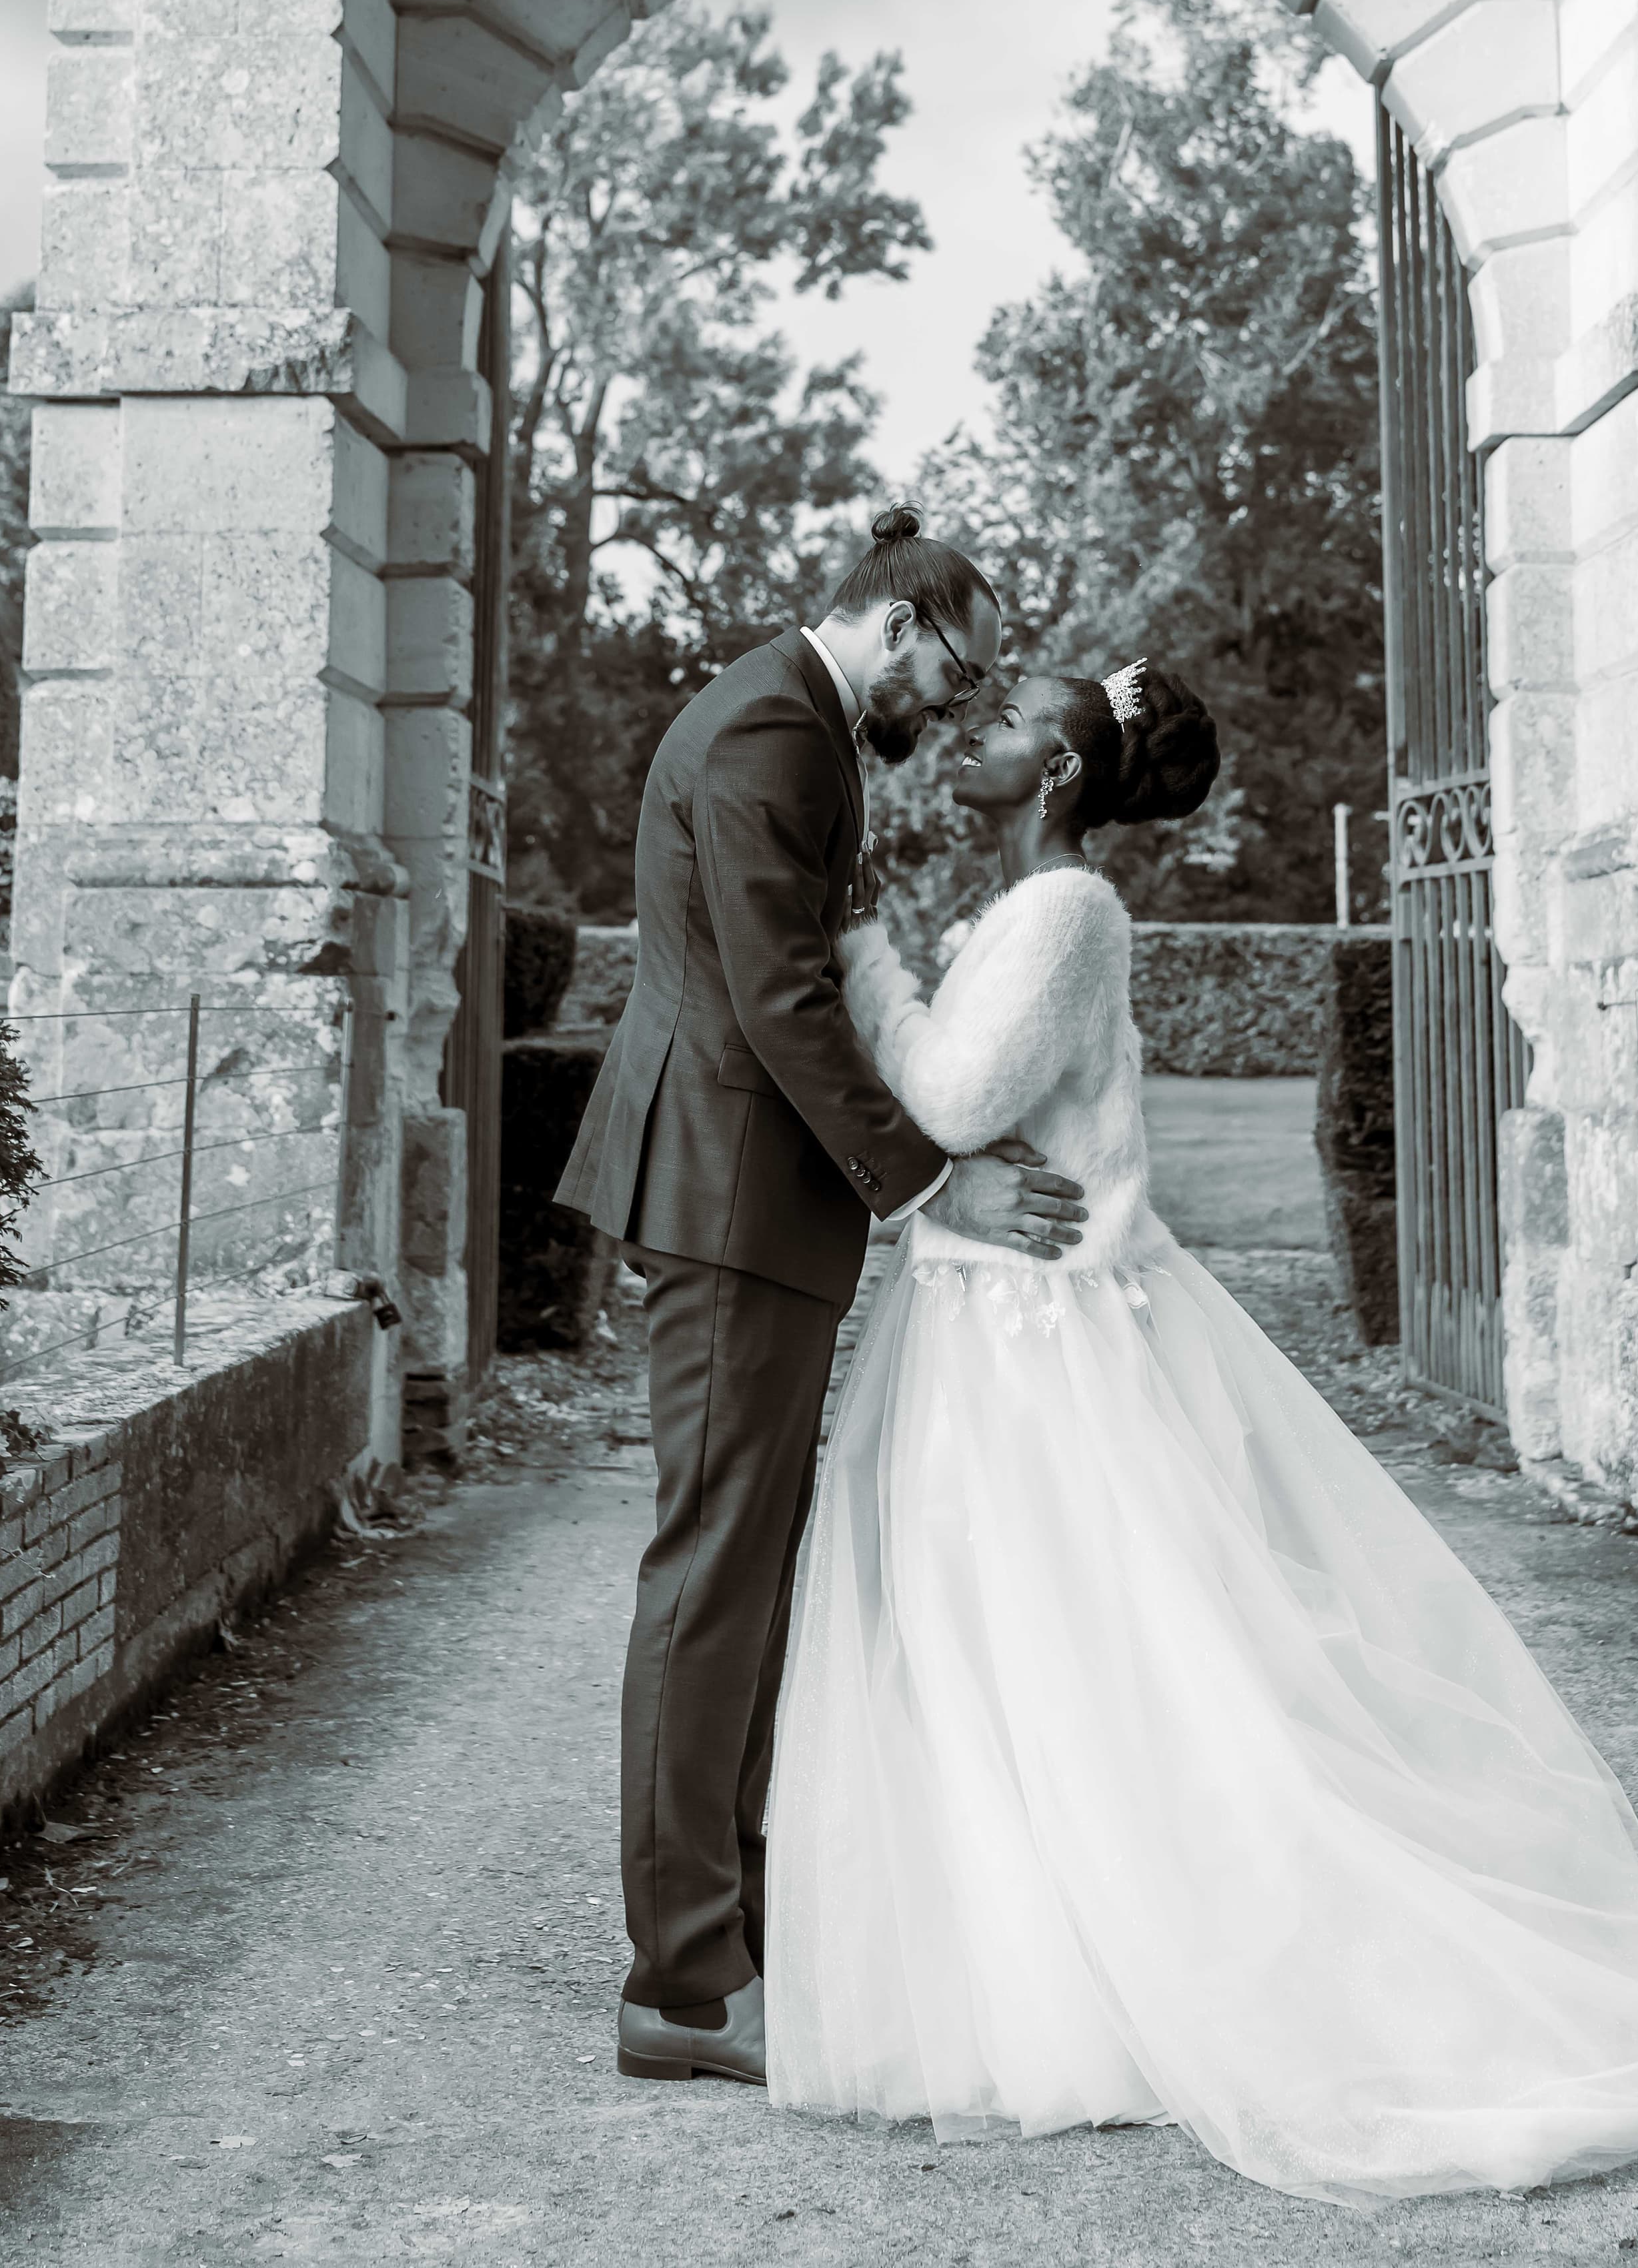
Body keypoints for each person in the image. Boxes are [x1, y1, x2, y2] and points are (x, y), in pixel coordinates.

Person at [762, 654, 1638, 2205]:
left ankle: (1152, 1966)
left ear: (1058, 773)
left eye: (1005, 722)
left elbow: (943, 1094)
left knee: (1088, 1656)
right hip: (989, 1317)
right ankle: (1048, 1968)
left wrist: (858, 942)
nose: (975, 730)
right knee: (1012, 1657)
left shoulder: (1063, 911)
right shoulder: (1028, 910)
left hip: (1032, 1346)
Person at [554, 509, 1090, 2090]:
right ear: (908, 621)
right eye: (962, 659)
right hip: (726, 1195)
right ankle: (678, 1978)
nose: (959, 697)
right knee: (713, 1565)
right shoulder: (769, 728)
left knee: (746, 1560)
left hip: (752, 1199)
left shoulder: (803, 723)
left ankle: (733, 1918)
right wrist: (933, 1180)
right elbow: (778, 997)